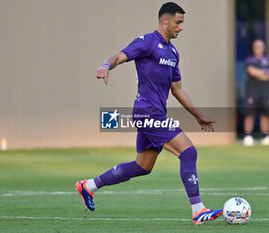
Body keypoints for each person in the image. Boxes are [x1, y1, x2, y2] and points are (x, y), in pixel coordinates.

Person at [76, 2, 222, 225]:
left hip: (154, 114)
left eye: (183, 22)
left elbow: (177, 89)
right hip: (147, 113)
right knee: (188, 152)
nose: (181, 27)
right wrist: (105, 65)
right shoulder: (147, 43)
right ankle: (198, 210)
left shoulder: (173, 53)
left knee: (143, 166)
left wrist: (197, 115)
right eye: (178, 22)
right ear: (165, 21)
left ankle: (88, 185)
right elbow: (120, 56)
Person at [242, 39, 269, 146]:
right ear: (253, 48)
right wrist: (266, 73)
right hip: (253, 91)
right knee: (250, 114)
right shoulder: (249, 60)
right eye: (256, 47)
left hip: (266, 92)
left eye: (260, 47)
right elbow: (251, 71)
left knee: (265, 114)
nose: (258, 49)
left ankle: (265, 137)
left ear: (263, 48)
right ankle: (248, 136)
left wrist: (260, 74)